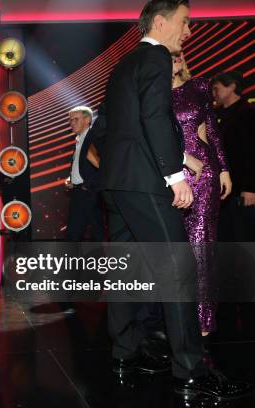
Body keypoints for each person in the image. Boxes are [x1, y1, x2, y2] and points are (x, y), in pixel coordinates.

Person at [96, 0, 251, 401]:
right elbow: (155, 119)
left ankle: (123, 354)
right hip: (146, 182)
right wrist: (175, 174)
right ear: (161, 22)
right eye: (184, 23)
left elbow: (114, 127)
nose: (189, 31)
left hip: (117, 181)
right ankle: (191, 372)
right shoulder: (156, 58)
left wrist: (172, 162)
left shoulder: (123, 64)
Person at [170, 54, 231, 336]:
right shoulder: (153, 92)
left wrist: (223, 170)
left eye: (178, 54)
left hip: (202, 174)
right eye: (169, 55)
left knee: (201, 241)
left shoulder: (200, 87)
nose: (176, 59)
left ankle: (203, 318)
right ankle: (177, 316)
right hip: (170, 177)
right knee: (176, 246)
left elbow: (211, 132)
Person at [211, 71, 255, 241]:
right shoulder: (217, 115)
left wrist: (250, 188)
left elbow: (251, 152)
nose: (214, 93)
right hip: (225, 190)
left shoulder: (248, 113)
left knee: (245, 236)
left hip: (242, 189)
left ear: (232, 86)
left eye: (217, 88)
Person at [65, 105, 104, 242]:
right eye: (70, 120)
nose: (72, 123)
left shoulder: (94, 137)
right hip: (78, 193)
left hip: (90, 193)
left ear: (88, 120)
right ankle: (72, 263)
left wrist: (89, 185)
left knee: (98, 233)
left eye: (76, 119)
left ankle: (107, 262)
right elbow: (83, 166)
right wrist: (72, 180)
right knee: (73, 234)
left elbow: (104, 165)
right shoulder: (79, 140)